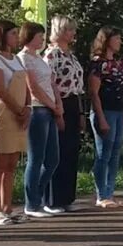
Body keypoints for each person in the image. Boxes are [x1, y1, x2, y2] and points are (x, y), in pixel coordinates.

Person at [0, 20, 29, 227]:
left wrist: (27, 107)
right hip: (4, 114)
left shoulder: (16, 59)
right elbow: (0, 90)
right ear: (2, 35)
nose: (16, 37)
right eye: (13, 33)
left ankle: (7, 207)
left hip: (20, 113)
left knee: (12, 163)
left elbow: (26, 86)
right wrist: (18, 110)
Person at [20, 22, 63, 218]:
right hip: (38, 109)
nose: (42, 40)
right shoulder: (23, 59)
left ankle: (40, 195)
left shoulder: (39, 58)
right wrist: (51, 105)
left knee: (52, 158)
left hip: (50, 109)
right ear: (29, 37)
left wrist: (57, 105)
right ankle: (31, 203)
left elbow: (51, 82)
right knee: (36, 158)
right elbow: (33, 87)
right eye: (38, 36)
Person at [46, 15, 85, 212]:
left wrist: (80, 113)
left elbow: (78, 86)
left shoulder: (71, 55)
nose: (73, 33)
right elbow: (50, 83)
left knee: (71, 151)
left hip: (73, 103)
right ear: (60, 31)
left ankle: (66, 197)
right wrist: (58, 110)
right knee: (58, 151)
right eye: (69, 30)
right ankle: (53, 199)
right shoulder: (52, 55)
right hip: (58, 103)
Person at [88, 26, 123, 208]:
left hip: (119, 111)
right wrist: (101, 117)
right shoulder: (98, 64)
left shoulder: (117, 64)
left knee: (115, 153)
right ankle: (101, 194)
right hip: (105, 111)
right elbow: (94, 93)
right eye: (117, 38)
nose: (119, 41)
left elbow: (122, 91)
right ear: (107, 40)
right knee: (104, 153)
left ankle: (110, 192)